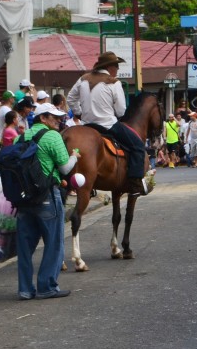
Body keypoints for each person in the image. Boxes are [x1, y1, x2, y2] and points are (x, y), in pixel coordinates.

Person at [66, 51, 150, 196]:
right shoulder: (114, 82)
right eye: (116, 66)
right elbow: (121, 110)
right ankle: (135, 183)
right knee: (137, 146)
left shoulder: (83, 79)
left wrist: (79, 112)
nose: (117, 69)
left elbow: (70, 98)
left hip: (86, 125)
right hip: (108, 125)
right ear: (110, 67)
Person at [15, 102, 76, 300]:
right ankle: (47, 286)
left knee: (25, 246)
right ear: (43, 118)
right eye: (54, 117)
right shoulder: (52, 136)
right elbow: (65, 168)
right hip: (47, 195)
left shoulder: (21, 137)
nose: (59, 120)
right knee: (54, 242)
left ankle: (25, 289)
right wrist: (75, 156)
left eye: (59, 117)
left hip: (24, 199)